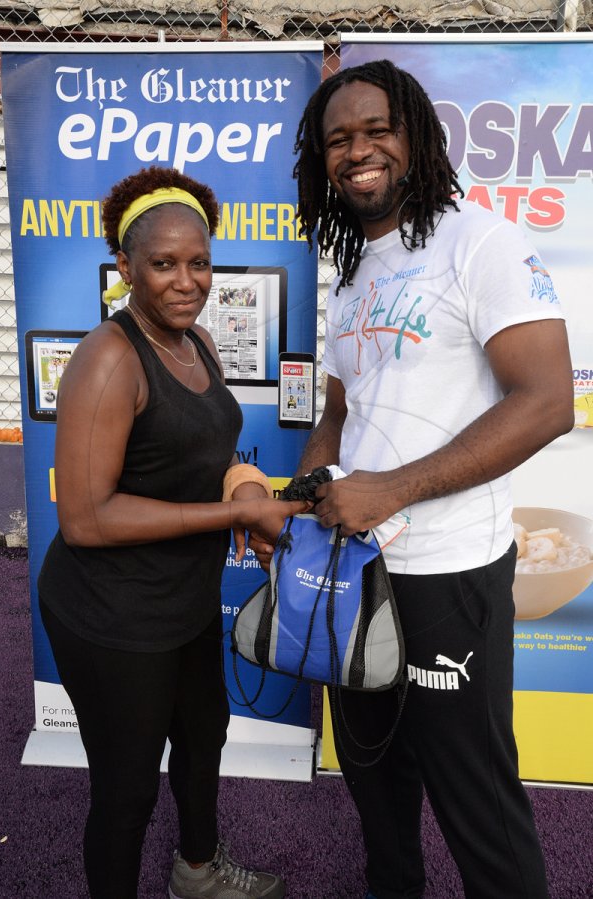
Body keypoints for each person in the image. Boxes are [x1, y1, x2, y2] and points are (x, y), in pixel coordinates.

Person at [250, 60, 575, 899]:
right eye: (337, 140)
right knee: (373, 781)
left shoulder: (483, 242)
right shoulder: (352, 271)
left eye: (376, 130)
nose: (358, 151)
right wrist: (308, 490)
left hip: (449, 572)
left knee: (475, 798)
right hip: (354, 569)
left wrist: (392, 489)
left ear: (416, 138)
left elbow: (545, 403)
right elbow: (338, 412)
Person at [37, 165, 306, 899]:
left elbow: (209, 456)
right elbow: (87, 518)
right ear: (125, 267)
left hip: (184, 597)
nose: (186, 281)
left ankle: (197, 870)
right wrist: (236, 514)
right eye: (162, 264)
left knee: (202, 739)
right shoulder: (108, 359)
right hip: (110, 613)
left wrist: (244, 484)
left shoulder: (202, 344)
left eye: (199, 263)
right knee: (126, 792)